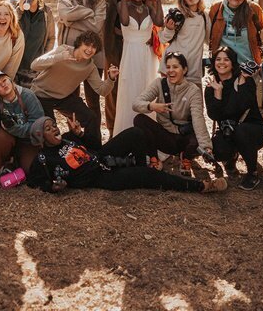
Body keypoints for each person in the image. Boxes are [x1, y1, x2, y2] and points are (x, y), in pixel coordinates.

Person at [25, 116, 227, 194]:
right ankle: (202, 187)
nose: (55, 129)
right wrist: (53, 187)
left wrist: (79, 133)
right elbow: (35, 181)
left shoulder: (69, 137)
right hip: (101, 177)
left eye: (54, 125)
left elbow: (95, 145)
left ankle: (141, 165)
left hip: (102, 156)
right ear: (41, 139)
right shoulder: (44, 159)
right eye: (49, 129)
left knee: (136, 133)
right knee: (150, 177)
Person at [30, 31, 119, 149]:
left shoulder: (90, 67)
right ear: (79, 43)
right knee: (50, 129)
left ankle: (96, 152)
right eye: (87, 44)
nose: (89, 49)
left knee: (91, 117)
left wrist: (111, 78)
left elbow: (102, 90)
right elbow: (34, 65)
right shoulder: (63, 50)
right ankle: (54, 158)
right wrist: (59, 57)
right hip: (41, 95)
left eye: (93, 47)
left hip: (63, 98)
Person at [133, 52, 213, 176]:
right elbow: (136, 103)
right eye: (168, 67)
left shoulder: (193, 90)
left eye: (175, 67)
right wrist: (151, 106)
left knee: (196, 138)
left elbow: (198, 118)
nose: (171, 70)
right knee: (139, 119)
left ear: (185, 69)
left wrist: (206, 147)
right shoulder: (160, 83)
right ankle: (154, 159)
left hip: (184, 137)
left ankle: (185, 158)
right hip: (165, 136)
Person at [205, 47, 263, 189]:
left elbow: (238, 108)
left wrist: (239, 85)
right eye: (218, 59)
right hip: (229, 130)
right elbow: (213, 115)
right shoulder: (212, 86)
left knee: (241, 131)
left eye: (226, 59)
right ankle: (231, 156)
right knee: (219, 149)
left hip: (253, 130)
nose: (222, 63)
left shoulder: (245, 81)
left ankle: (253, 173)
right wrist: (218, 93)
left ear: (233, 63)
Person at [113, 0, 164, 137]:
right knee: (130, 89)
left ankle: (150, 135)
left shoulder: (149, 7)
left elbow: (160, 22)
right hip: (130, 53)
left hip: (148, 56)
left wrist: (158, 3)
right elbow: (125, 22)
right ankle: (127, 132)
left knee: (148, 87)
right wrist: (124, 0)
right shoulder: (123, 4)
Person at [56, 0, 107, 122]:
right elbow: (64, 15)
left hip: (95, 57)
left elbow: (96, 26)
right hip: (71, 54)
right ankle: (75, 139)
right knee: (71, 100)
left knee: (93, 102)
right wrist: (87, 12)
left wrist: (72, 20)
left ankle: (94, 140)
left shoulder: (100, 2)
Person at [102, 0, 142, 134]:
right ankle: (112, 129)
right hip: (113, 42)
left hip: (137, 43)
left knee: (136, 83)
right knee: (113, 85)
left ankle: (135, 126)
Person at [0, 69, 45, 184]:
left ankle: (11, 163)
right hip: (7, 139)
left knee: (30, 168)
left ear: (11, 81)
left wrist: (15, 129)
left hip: (27, 140)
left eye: (4, 80)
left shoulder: (27, 96)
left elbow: (38, 125)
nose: (3, 85)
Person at [8, 0, 55, 87]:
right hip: (13, 65)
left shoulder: (46, 12)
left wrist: (45, 59)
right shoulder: (14, 7)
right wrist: (20, 10)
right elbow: (5, 27)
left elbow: (51, 37)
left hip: (34, 68)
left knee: (30, 99)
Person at [160, 0, 211, 89]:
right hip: (174, 65)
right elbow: (163, 39)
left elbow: (209, 40)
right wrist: (169, 29)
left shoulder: (204, 16)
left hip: (194, 67)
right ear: (183, 0)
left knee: (196, 102)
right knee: (173, 102)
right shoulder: (179, 15)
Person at [208, 0, 263, 67]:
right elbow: (208, 32)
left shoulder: (253, 9)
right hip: (223, 65)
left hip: (247, 64)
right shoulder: (216, 8)